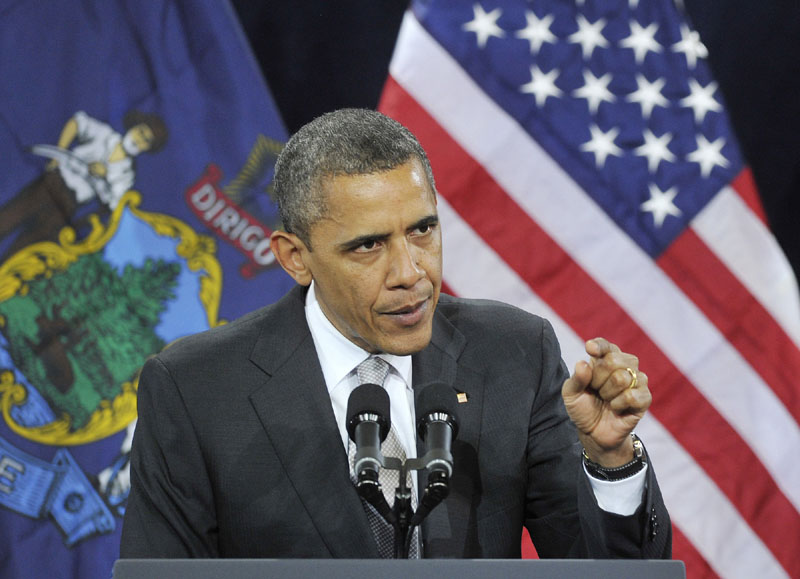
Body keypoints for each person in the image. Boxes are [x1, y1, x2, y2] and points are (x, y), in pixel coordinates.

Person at [120, 108, 671, 559]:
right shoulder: (197, 390)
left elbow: (609, 574)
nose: (411, 273)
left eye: (422, 230)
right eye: (368, 245)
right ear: (294, 257)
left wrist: (610, 457)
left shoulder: (513, 352)